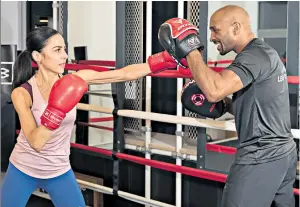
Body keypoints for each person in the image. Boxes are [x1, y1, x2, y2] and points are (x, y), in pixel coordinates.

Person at [0, 26, 183, 207]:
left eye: (64, 49)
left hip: (59, 170)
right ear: (37, 57)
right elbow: (36, 142)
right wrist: (56, 109)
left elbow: (123, 74)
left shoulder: (76, 79)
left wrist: (164, 60)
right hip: (23, 169)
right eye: (57, 50)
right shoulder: (22, 93)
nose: (64, 55)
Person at [158, 5, 297, 207]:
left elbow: (214, 89)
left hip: (261, 155)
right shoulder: (263, 53)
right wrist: (224, 105)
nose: (212, 37)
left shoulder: (253, 57)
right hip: (282, 153)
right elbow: (258, 104)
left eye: (216, 30)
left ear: (236, 27)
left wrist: (189, 49)